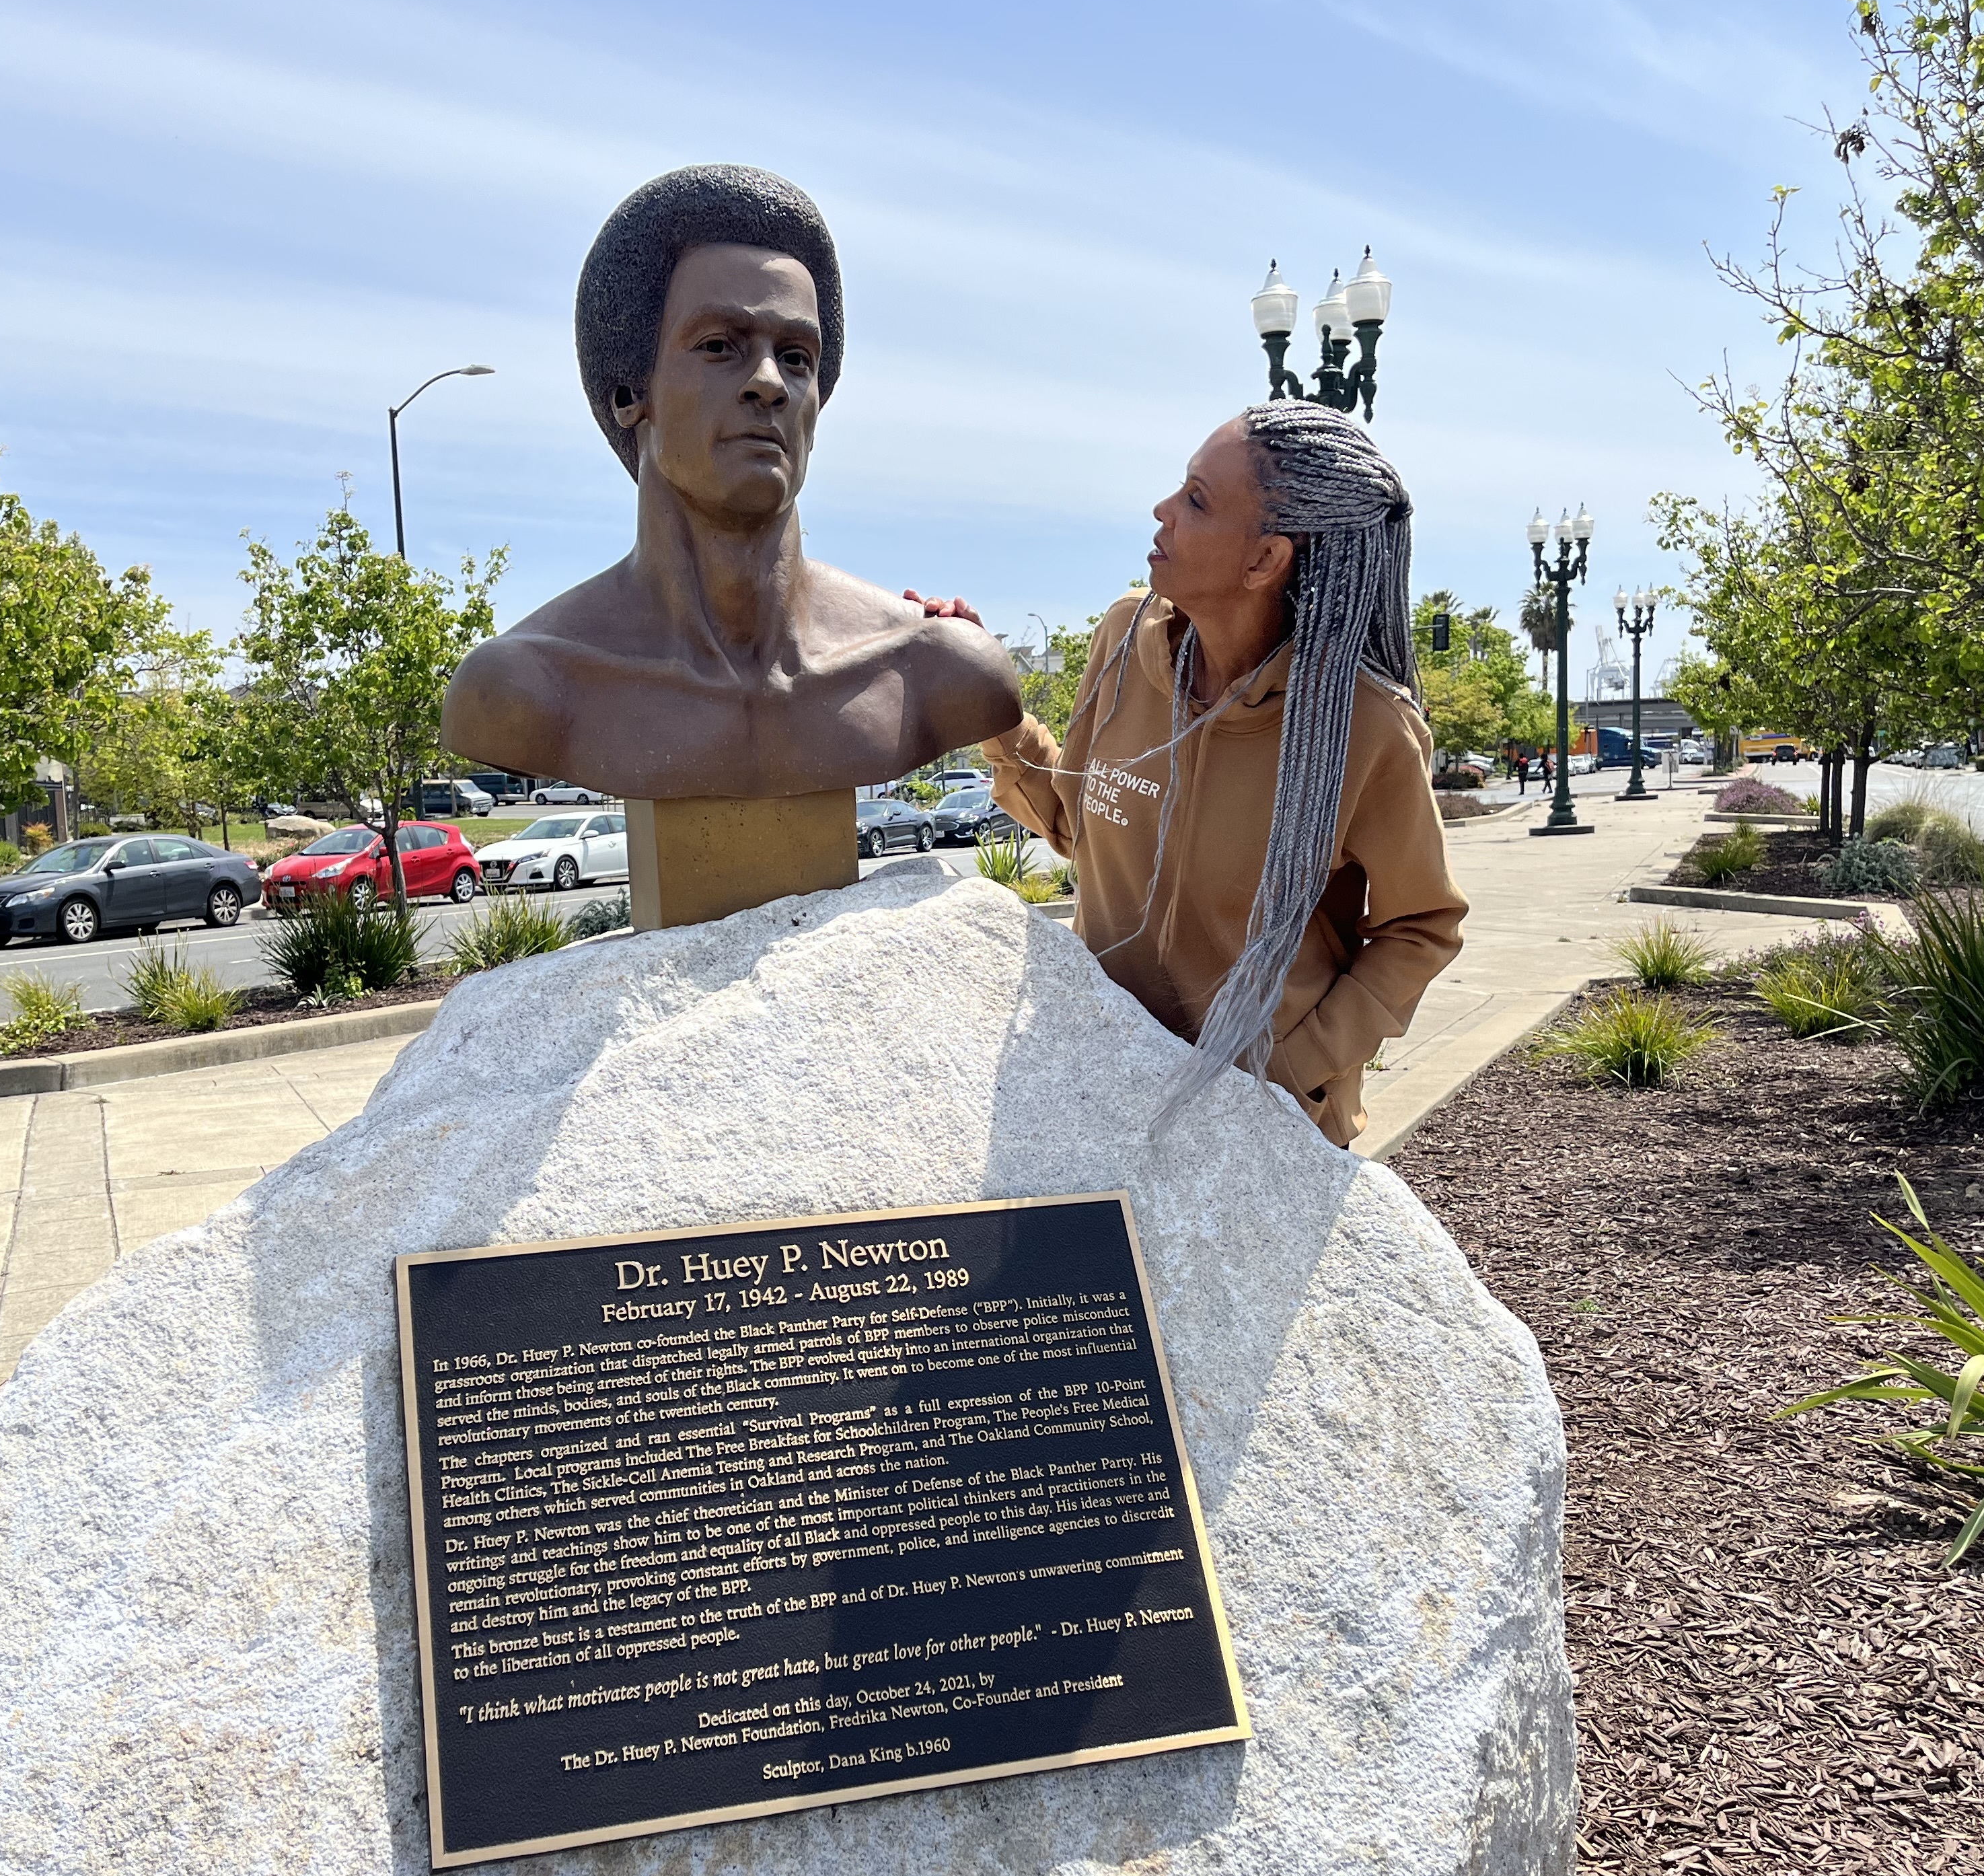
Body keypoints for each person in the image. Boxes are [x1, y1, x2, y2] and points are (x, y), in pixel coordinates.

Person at [926, 402, 1467, 1145]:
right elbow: (1074, 820)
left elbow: (1421, 926)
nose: (1163, 510)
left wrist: (1284, 1070)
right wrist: (990, 705)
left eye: (1197, 500)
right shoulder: (1123, 637)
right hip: (1108, 1091)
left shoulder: (1367, 729)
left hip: (1269, 1128)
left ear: (1263, 560)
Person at [441, 164, 1021, 800]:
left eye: (798, 357)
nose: (770, 382)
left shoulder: (934, 670)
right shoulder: (527, 689)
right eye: (720, 345)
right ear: (630, 394)